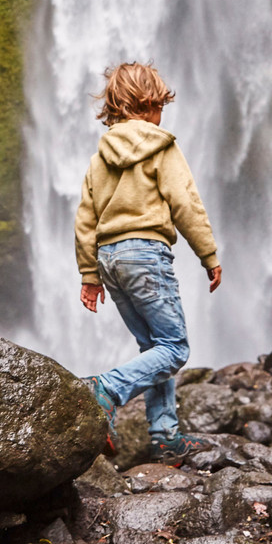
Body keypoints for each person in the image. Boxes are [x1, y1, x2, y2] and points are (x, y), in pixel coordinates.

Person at [74, 61, 222, 465]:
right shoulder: (162, 145)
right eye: (160, 106)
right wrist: (208, 255)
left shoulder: (98, 158)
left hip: (108, 259)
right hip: (145, 254)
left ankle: (164, 436)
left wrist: (90, 275)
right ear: (151, 104)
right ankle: (105, 389)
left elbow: (86, 219)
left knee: (153, 347)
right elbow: (186, 204)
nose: (163, 115)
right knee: (174, 348)